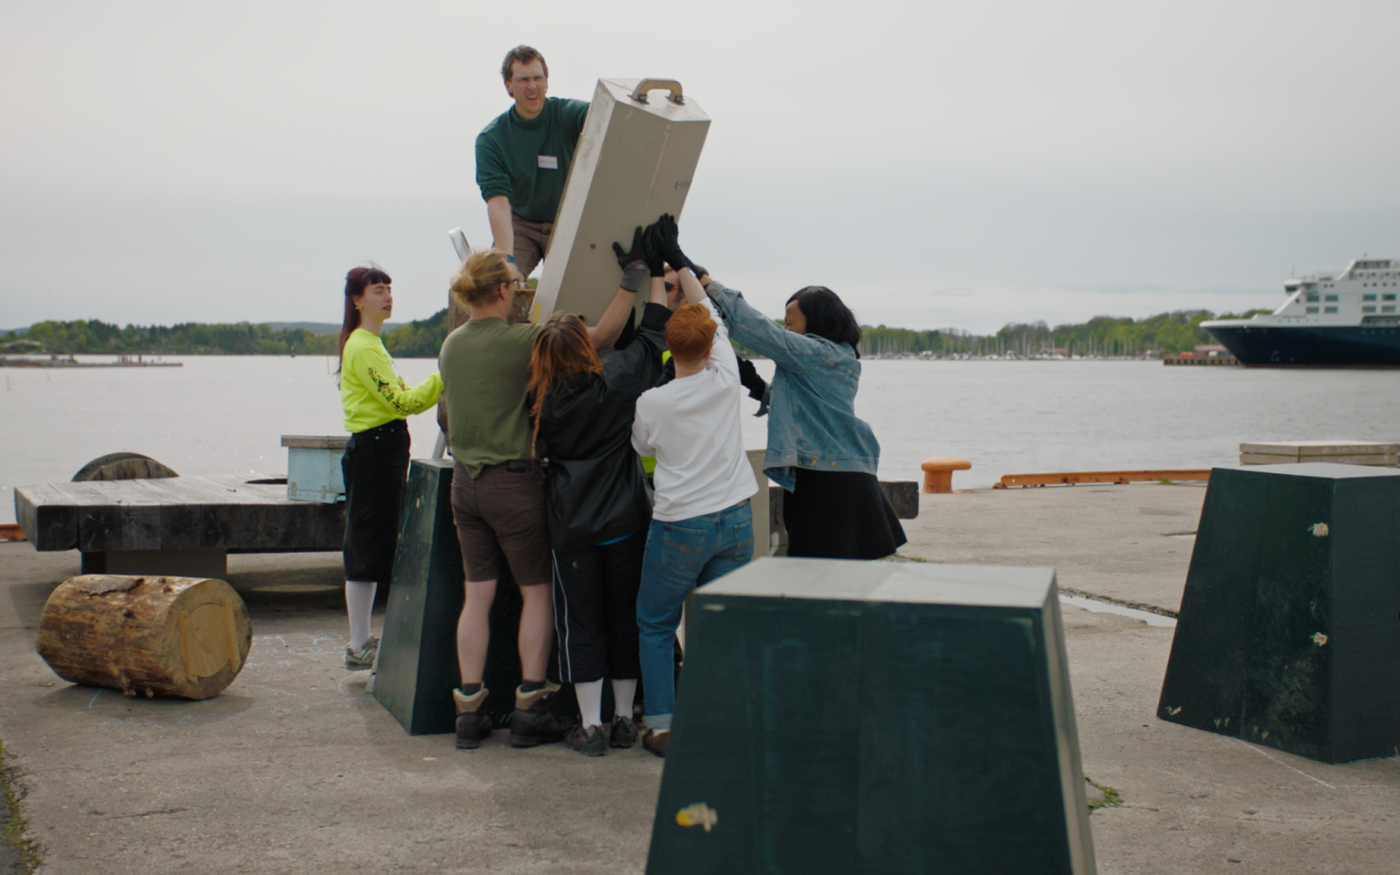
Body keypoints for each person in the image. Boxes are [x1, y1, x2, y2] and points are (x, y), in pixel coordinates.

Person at [440, 247, 636, 751]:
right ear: (504, 290)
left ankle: (469, 708)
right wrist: (632, 279)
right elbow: (601, 338)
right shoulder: (521, 340)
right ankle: (531, 704)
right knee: (536, 592)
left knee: (477, 595)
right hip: (513, 483)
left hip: (466, 485)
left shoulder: (452, 345)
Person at [656, 216, 907, 560]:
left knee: (816, 578)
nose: (785, 329)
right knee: (831, 582)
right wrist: (758, 386)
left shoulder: (818, 354)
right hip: (831, 478)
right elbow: (806, 411)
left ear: (816, 322)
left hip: (830, 484)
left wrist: (697, 274)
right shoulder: (830, 359)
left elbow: (757, 328)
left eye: (791, 323)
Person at [526, 235, 670, 756]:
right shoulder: (615, 379)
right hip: (626, 519)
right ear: (589, 349)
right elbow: (653, 336)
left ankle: (589, 726)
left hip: (571, 527)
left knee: (581, 624)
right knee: (624, 618)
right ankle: (625, 719)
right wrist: (646, 273)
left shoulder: (537, 401)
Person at [631, 233, 758, 758]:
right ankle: (717, 716)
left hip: (680, 523)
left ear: (669, 346)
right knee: (717, 625)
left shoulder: (651, 402)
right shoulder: (727, 379)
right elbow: (711, 311)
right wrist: (680, 261)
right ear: (708, 349)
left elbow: (643, 447)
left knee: (656, 622)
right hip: (736, 519)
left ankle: (661, 723)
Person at [336, 266, 443, 669]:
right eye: (378, 290)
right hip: (374, 451)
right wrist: (444, 376)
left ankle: (362, 639)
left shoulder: (370, 344)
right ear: (357, 300)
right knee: (365, 545)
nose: (387, 297)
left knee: (374, 540)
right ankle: (359, 643)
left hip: (382, 449)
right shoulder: (363, 346)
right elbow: (402, 403)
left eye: (389, 290)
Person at [476, 45, 589, 280]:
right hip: (522, 222)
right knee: (499, 281)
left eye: (538, 78)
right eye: (523, 79)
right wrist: (507, 260)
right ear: (508, 86)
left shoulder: (567, 114)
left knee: (576, 288)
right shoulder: (492, 139)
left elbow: (602, 115)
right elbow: (498, 203)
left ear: (547, 81)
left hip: (566, 220)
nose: (532, 86)